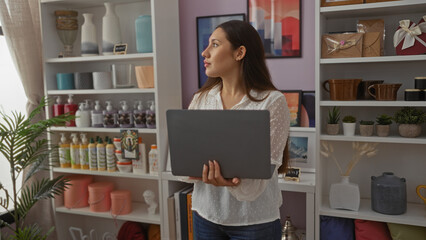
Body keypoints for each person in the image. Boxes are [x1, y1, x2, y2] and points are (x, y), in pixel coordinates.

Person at [187, 20, 290, 240]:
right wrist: (193, 169)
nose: (204, 53)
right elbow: (187, 157)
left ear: (239, 52)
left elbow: (260, 179)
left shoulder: (272, 102)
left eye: (214, 44)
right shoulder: (201, 99)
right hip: (205, 215)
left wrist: (227, 182)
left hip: (254, 222)